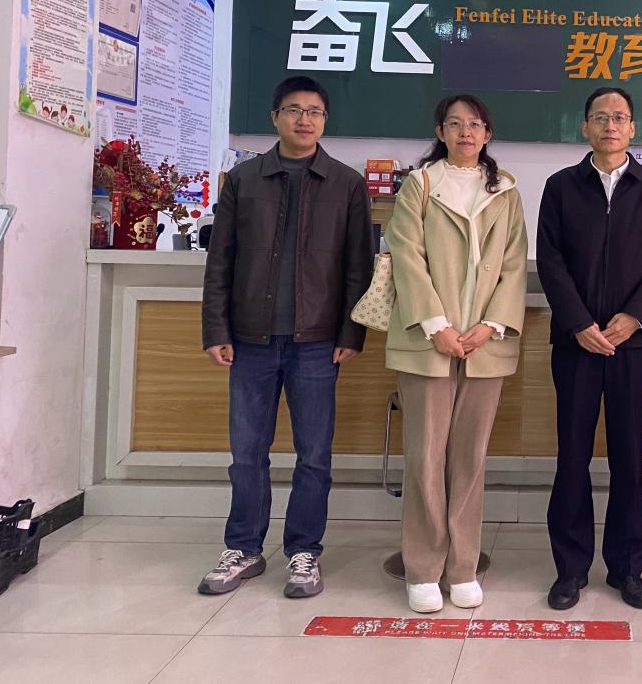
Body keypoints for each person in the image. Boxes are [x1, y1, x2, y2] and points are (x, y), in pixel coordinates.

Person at [199, 76, 373, 598]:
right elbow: (220, 261)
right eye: (294, 110)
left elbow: (359, 266)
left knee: (314, 454)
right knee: (246, 453)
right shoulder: (243, 179)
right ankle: (244, 548)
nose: (304, 120)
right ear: (275, 117)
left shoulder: (346, 183)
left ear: (325, 121)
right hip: (250, 338)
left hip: (317, 342)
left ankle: (304, 551)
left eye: (314, 112)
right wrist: (216, 328)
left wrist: (351, 332)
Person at [537, 86, 642, 610]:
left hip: (632, 346)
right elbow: (550, 260)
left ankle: (627, 568)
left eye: (620, 117)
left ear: (633, 128)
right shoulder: (561, 186)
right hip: (575, 344)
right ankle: (570, 569)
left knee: (628, 456)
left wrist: (634, 317)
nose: (611, 126)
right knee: (572, 456)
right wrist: (578, 323)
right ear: (585, 127)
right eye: (601, 117)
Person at [384, 94, 528, 614]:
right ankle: (423, 568)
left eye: (475, 124)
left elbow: (514, 264)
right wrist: (437, 326)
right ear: (440, 131)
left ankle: (463, 566)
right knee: (424, 458)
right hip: (428, 343)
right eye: (455, 123)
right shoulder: (419, 184)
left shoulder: (505, 190)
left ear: (488, 133)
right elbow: (406, 255)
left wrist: (490, 326)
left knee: (470, 458)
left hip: (485, 345)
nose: (466, 132)